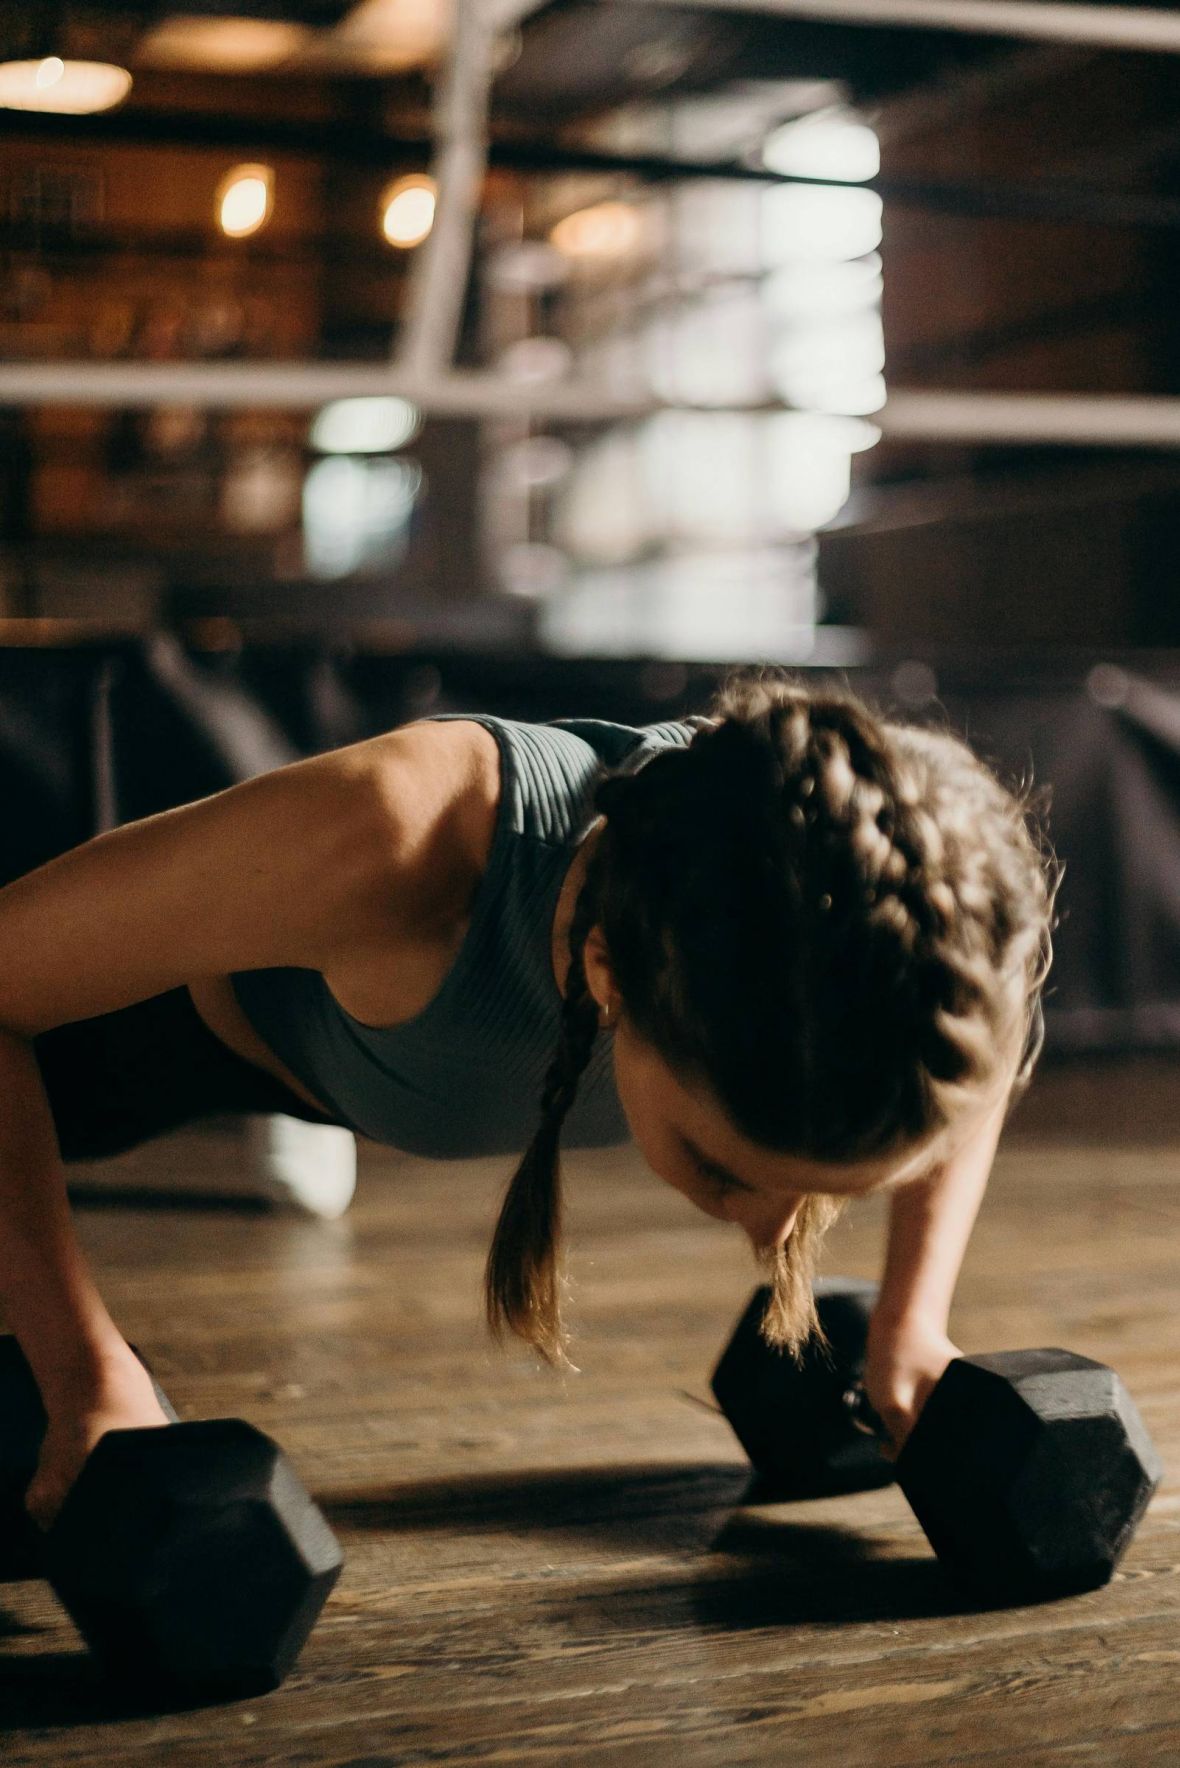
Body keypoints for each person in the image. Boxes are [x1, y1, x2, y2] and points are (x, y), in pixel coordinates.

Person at [0, 668, 1057, 1530]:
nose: (771, 1233)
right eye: (728, 1170)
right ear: (605, 974)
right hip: (89, 990)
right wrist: (82, 1366)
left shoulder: (904, 892)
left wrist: (911, 1326)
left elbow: (973, 1048)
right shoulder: (399, 842)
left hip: (333, 1025)